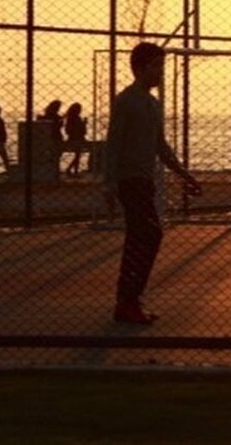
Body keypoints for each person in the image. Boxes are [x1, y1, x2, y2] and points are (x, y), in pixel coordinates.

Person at [108, 41, 201, 325]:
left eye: (162, 66)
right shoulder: (125, 102)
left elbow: (161, 146)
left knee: (141, 237)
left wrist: (185, 175)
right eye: (156, 66)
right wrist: (109, 185)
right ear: (140, 68)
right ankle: (128, 299)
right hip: (129, 180)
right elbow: (113, 145)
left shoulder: (153, 104)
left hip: (145, 180)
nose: (161, 72)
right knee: (149, 234)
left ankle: (127, 301)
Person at [64, 102, 89, 175]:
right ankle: (73, 170)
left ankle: (73, 170)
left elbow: (68, 130)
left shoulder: (70, 118)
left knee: (78, 155)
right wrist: (83, 124)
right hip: (77, 138)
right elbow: (82, 130)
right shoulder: (76, 118)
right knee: (78, 154)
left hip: (73, 138)